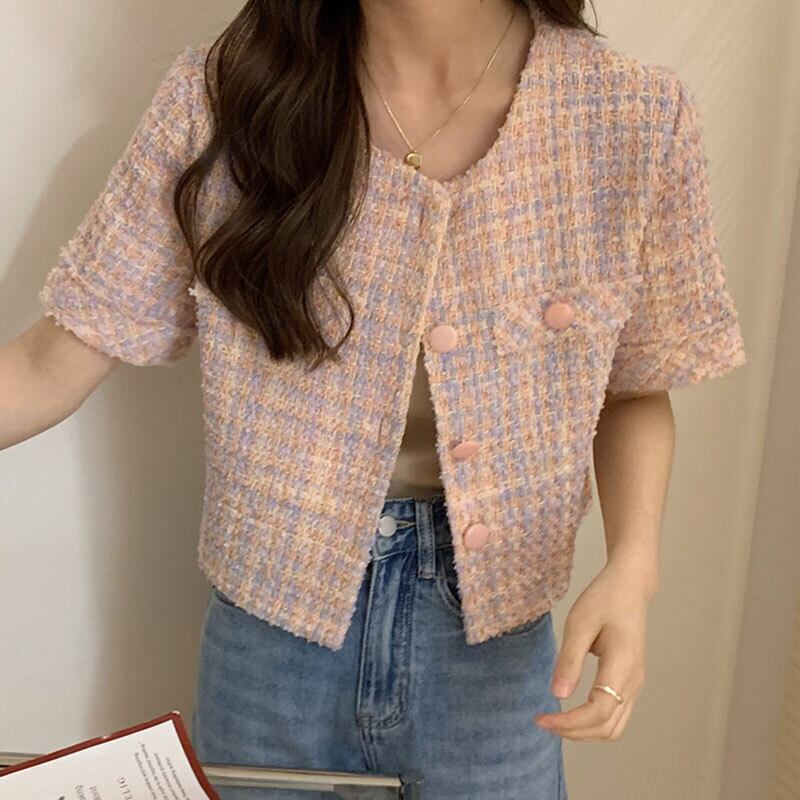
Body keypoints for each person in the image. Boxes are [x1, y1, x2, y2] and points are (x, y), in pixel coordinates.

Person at [1, 0, 747, 797]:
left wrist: (633, 568)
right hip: (270, 641)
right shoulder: (227, 99)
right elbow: (51, 361)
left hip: (494, 650)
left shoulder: (631, 117)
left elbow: (634, 384)